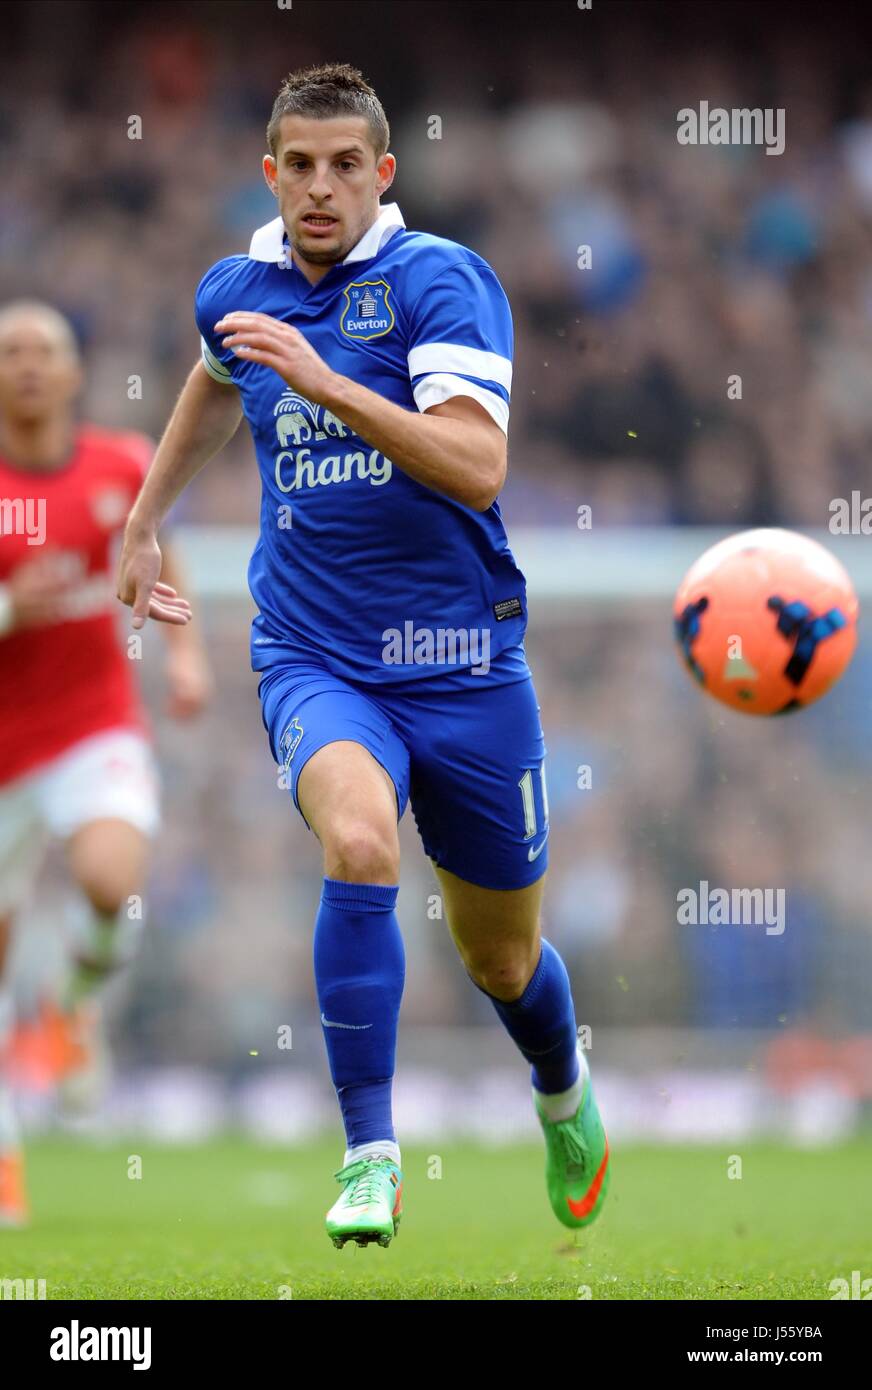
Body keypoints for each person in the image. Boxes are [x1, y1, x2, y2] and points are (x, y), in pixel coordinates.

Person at [117, 63, 609, 1249]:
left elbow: (474, 466)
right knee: (356, 838)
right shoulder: (239, 287)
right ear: (271, 174)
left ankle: (562, 1090)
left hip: (463, 662)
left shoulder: (441, 280)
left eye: (346, 165)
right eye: (301, 165)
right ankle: (371, 1154)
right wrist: (144, 518)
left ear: (382, 174)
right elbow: (213, 376)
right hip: (313, 651)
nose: (322, 188)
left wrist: (327, 382)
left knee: (501, 958)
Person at [0, 300, 211, 1226]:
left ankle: (74, 1004)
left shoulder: (122, 462)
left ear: (77, 370)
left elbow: (161, 547)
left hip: (92, 726)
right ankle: (6, 1165)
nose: (30, 366)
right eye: (12, 352)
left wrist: (190, 654)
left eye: (46, 350)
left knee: (108, 877)